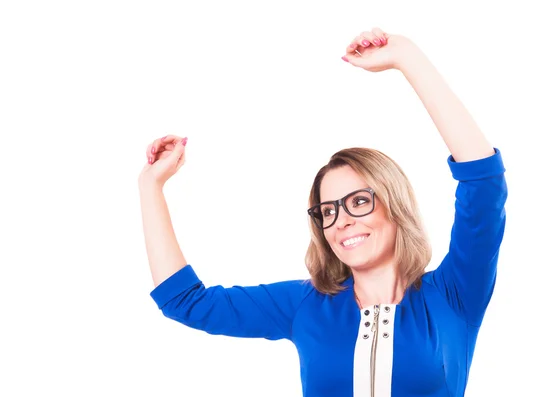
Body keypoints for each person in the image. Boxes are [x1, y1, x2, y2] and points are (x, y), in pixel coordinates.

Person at [138, 27, 507, 397]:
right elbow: (184, 301)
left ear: (395, 207)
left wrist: (407, 57)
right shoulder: (306, 305)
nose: (341, 220)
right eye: (327, 210)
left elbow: (484, 183)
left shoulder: (454, 294)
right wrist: (150, 187)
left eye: (359, 201)